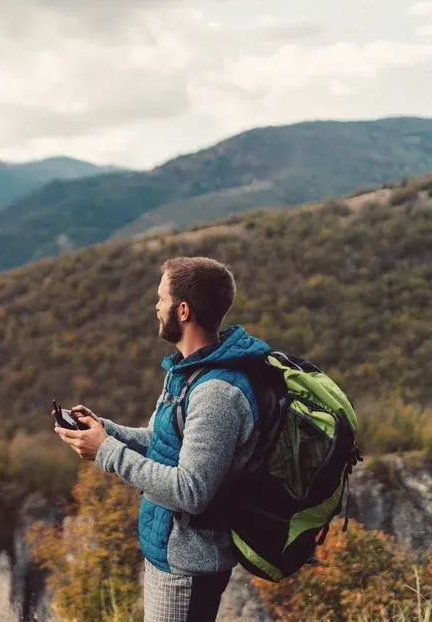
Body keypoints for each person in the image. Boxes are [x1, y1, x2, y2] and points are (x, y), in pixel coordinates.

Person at [53, 256, 272, 622]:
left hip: (189, 566)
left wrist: (106, 451)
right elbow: (160, 440)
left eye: (161, 299)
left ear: (183, 310)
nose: (156, 307)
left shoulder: (216, 392)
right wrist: (105, 429)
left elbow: (191, 491)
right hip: (168, 551)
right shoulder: (186, 372)